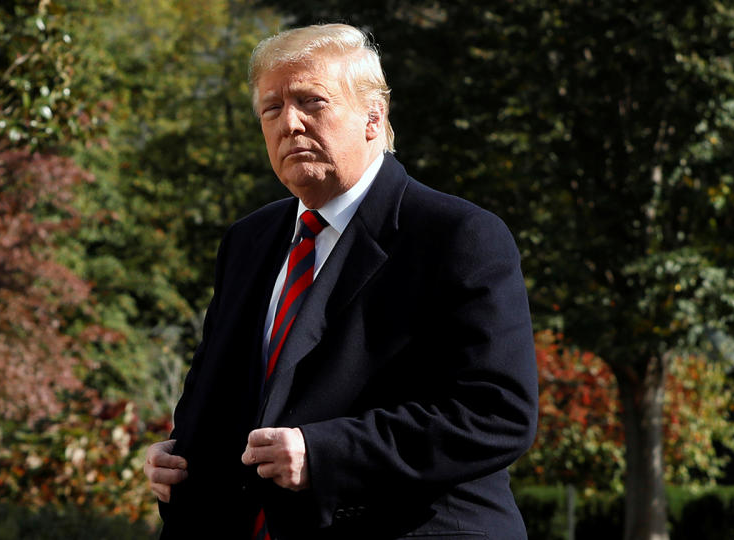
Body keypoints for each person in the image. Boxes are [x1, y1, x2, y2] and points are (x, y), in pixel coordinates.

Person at [144, 23, 538, 539]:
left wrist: (324, 454)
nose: (289, 123)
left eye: (312, 101)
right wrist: (180, 457)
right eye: (271, 109)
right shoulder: (248, 241)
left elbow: (497, 413)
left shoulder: (458, 236)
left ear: (374, 117)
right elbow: (225, 396)